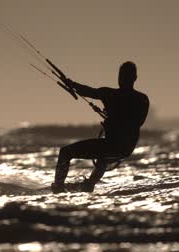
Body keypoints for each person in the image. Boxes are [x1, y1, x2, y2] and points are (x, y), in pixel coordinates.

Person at [51, 61, 149, 193]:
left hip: (112, 145)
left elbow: (88, 91)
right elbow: (137, 123)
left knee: (65, 152)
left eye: (123, 76)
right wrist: (73, 85)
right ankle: (89, 185)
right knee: (103, 157)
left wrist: (72, 84)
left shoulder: (110, 94)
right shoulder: (142, 99)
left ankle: (58, 187)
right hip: (126, 148)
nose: (121, 79)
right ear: (135, 78)